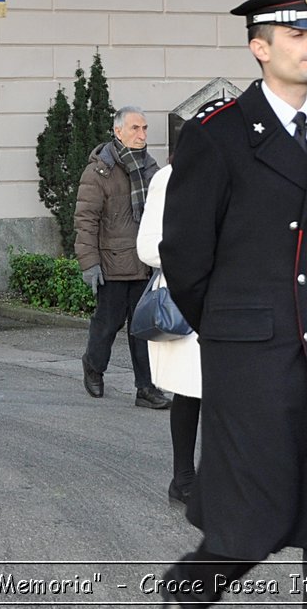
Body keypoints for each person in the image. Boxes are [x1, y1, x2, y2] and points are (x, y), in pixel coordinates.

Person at [159, 0, 307, 606]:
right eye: (296, 32)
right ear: (260, 47)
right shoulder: (218, 133)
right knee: (241, 530)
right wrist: (238, 325)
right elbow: (185, 254)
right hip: (256, 355)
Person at [76, 107, 169, 409]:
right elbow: (85, 220)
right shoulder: (98, 171)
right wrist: (89, 263)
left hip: (144, 263)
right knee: (108, 324)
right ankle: (93, 364)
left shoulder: (151, 169)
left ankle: (146, 388)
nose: (142, 135)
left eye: (144, 129)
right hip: (113, 263)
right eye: (135, 129)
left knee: (143, 328)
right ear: (118, 132)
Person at [134, 151, 200, 506]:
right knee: (190, 392)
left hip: (229, 299)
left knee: (228, 394)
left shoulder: (238, 175)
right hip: (186, 298)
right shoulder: (170, 178)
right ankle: (184, 478)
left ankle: (217, 478)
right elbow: (148, 247)